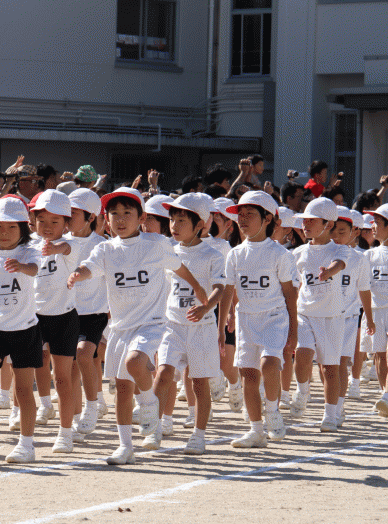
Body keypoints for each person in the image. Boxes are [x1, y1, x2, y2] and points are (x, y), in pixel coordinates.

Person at [67, 187, 207, 465]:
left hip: (151, 323)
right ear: (106, 220)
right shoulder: (105, 248)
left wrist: (198, 288)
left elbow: (178, 267)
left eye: (127, 213)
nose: (120, 219)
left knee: (134, 363)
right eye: (114, 214)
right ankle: (125, 446)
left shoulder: (156, 244)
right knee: (122, 388)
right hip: (120, 327)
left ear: (141, 217)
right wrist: (77, 274)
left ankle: (149, 402)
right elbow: (89, 267)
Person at [217, 191, 298, 448]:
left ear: (267, 218)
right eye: (240, 215)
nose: (242, 219)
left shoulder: (280, 255)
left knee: (269, 365)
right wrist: (222, 326)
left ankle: (272, 411)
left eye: (250, 214)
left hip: (274, 318)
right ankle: (256, 431)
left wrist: (294, 330)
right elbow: (228, 292)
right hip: (246, 320)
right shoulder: (235, 254)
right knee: (249, 376)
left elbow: (290, 294)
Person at [146, 194, 225, 455]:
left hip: (202, 327)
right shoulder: (167, 251)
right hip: (171, 325)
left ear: (200, 224)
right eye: (172, 220)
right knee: (163, 374)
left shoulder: (213, 255)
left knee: (199, 383)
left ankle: (198, 435)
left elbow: (220, 288)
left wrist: (206, 307)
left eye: (181, 220)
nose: (174, 226)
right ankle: (155, 428)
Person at [0, 196, 42, 462]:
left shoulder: (30, 252)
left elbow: (35, 269)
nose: (4, 232)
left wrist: (22, 267)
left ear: (23, 228)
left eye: (12, 226)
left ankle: (27, 444)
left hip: (24, 329)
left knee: (22, 389)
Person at [290, 198, 350, 432]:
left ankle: (330, 414)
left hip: (331, 317)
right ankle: (302, 391)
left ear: (328, 224)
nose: (305, 225)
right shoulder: (298, 253)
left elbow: (339, 264)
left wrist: (329, 272)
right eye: (304, 221)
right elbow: (293, 285)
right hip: (305, 313)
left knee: (329, 369)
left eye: (311, 221)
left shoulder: (339, 248)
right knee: (303, 355)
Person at [29, 189, 79, 452]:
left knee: (62, 377)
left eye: (55, 221)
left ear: (66, 223)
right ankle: (41, 406)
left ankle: (66, 432)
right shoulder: (27, 245)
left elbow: (66, 247)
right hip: (33, 317)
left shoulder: (71, 244)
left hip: (63, 318)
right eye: (42, 220)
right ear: (33, 220)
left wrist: (55, 248)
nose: (47, 226)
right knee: (30, 367)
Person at [68, 189, 109, 442]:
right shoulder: (61, 243)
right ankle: (73, 421)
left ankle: (92, 405)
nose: (68, 217)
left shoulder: (102, 245)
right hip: (66, 312)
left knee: (84, 354)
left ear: (90, 217)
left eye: (73, 213)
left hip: (94, 312)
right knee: (69, 368)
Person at [330, 206, 374, 426]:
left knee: (340, 363)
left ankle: (337, 408)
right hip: (325, 316)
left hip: (348, 317)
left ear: (354, 231)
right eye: (333, 231)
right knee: (327, 366)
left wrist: (369, 318)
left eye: (342, 231)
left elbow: (364, 290)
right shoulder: (323, 254)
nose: (336, 236)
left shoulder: (359, 258)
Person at [363, 203, 388, 416]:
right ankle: (384, 395)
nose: (372, 226)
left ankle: (386, 396)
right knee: (380, 356)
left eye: (377, 222)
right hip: (376, 311)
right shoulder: (369, 256)